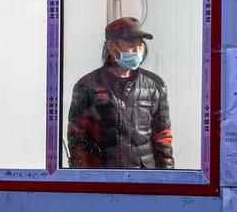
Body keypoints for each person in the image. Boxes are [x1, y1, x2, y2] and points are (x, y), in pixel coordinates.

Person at [67, 16, 174, 169]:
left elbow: (163, 138)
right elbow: (77, 139)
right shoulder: (87, 86)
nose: (137, 51)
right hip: (105, 178)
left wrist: (167, 179)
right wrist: (88, 179)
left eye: (140, 46)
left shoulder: (155, 85)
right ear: (111, 47)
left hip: (143, 178)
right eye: (131, 46)